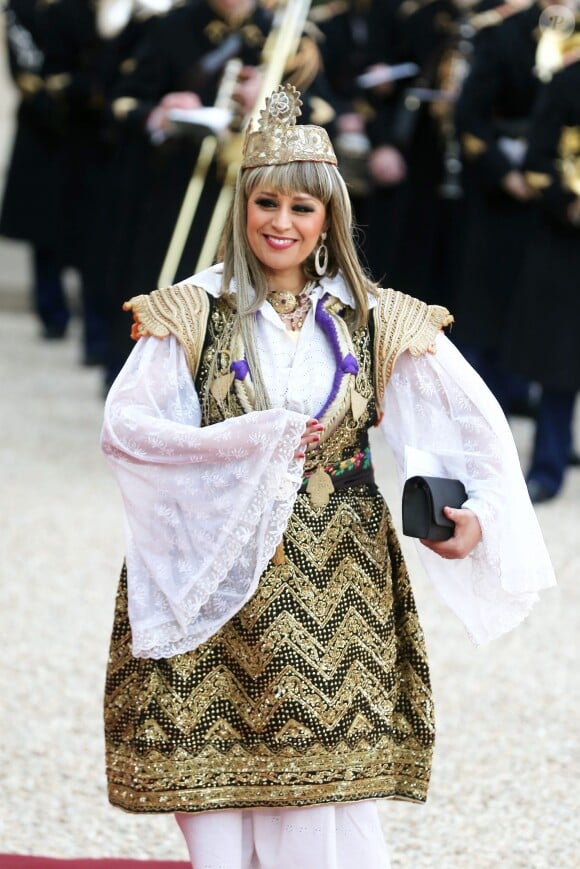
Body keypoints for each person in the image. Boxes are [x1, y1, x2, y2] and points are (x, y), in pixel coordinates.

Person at [101, 84, 555, 868]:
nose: (281, 222)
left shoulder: (374, 316)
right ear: (242, 207)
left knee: (321, 783)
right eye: (266, 202)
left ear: (329, 220)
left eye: (301, 209)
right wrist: (251, 441)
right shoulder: (190, 312)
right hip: (216, 570)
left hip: (336, 579)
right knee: (217, 775)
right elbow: (129, 430)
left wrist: (475, 510)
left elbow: (468, 422)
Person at [502, 41, 580, 503]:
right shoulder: (568, 83)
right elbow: (536, 162)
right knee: (559, 359)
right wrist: (568, 207)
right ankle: (548, 466)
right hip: (565, 242)